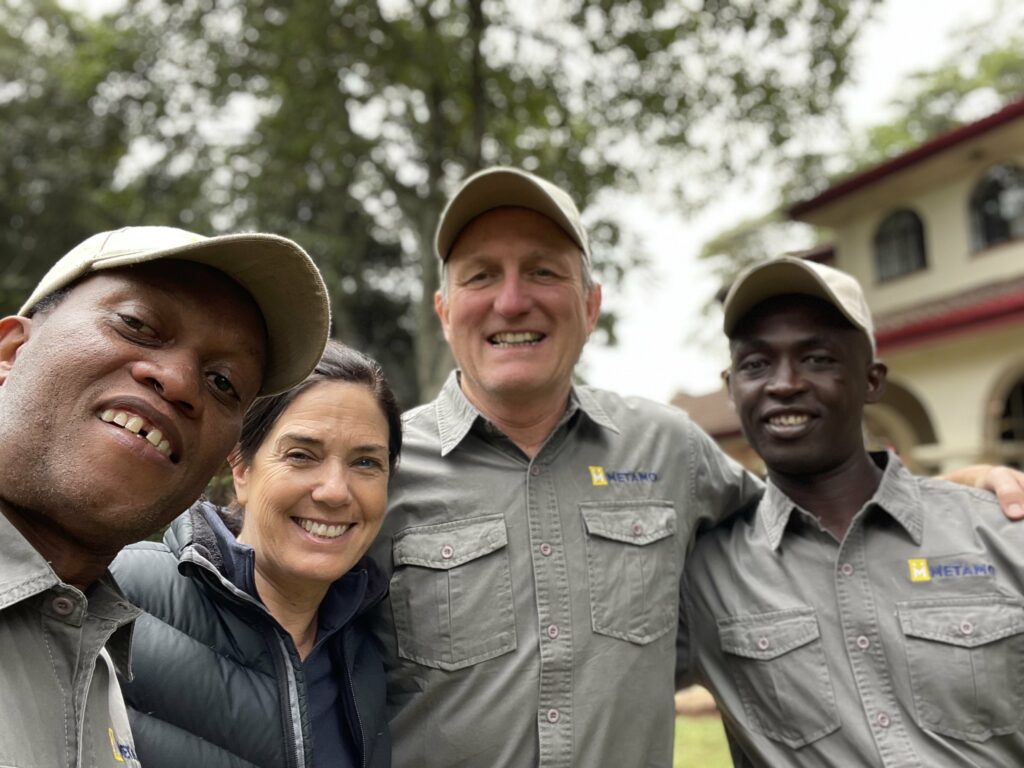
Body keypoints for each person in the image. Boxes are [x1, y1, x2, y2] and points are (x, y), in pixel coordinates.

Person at [368, 167, 1024, 768]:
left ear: (591, 306)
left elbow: (813, 507)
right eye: (481, 275)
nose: (512, 302)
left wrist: (948, 498)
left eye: (543, 272)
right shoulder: (380, 466)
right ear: (445, 310)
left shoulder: (668, 448)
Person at [0, 225, 329, 768]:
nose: (179, 382)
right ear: (12, 350)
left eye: (224, 382)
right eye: (138, 325)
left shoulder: (99, 662)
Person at [679, 256, 1024, 765]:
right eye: (756, 365)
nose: (784, 383)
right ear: (732, 387)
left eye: (817, 358)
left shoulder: (1002, 532)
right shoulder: (702, 577)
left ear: (871, 380)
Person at [110, 340, 400, 768]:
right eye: (302, 455)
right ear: (242, 469)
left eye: (365, 463)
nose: (336, 491)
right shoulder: (116, 595)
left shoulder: (369, 652)